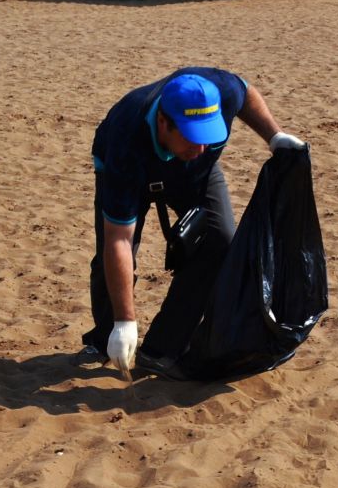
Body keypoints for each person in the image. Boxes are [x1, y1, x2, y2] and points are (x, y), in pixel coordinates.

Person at [82, 69, 304, 377]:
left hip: (192, 175)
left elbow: (245, 91)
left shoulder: (222, 92)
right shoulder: (126, 141)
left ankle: (161, 350)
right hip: (131, 170)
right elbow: (117, 238)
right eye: (192, 137)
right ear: (163, 122)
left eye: (208, 137)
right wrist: (124, 322)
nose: (201, 148)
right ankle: (107, 339)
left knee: (221, 240)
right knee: (117, 256)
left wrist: (274, 136)